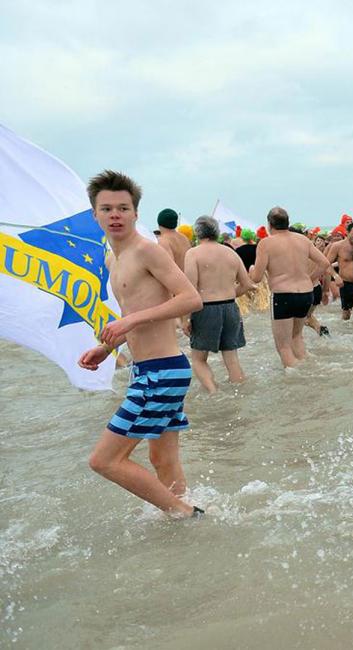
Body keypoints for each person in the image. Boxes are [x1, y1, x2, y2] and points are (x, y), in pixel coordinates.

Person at [79, 171, 204, 517]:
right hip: (149, 370)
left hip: (162, 371)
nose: (115, 215)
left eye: (123, 208)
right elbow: (131, 312)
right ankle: (186, 524)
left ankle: (184, 514)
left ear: (136, 213)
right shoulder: (112, 258)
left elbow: (191, 299)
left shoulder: (148, 252)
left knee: (104, 460)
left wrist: (132, 320)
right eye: (106, 209)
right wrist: (107, 348)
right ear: (95, 214)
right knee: (162, 459)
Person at [249, 207, 330, 368]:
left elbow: (256, 278)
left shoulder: (266, 243)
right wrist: (309, 278)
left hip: (283, 295)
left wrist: (251, 270)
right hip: (306, 293)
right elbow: (324, 263)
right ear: (288, 222)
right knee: (297, 337)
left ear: (269, 224)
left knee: (283, 346)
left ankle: (295, 377)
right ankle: (309, 370)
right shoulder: (302, 240)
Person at [182, 216, 255, 393]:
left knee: (199, 359)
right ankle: (240, 393)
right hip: (230, 307)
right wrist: (229, 295)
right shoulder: (231, 253)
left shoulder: (193, 253)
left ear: (197, 233)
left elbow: (190, 289)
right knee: (231, 358)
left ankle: (213, 392)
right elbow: (247, 284)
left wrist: (185, 319)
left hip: (205, 309)